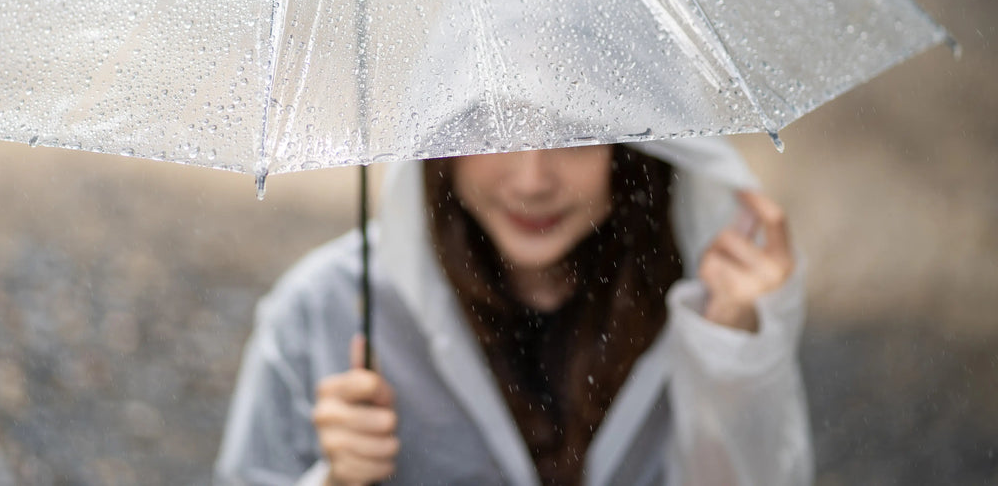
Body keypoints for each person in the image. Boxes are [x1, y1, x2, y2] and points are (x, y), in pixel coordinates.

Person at [215, 137, 813, 485]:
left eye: (575, 133)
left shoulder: (708, 305)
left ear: (637, 145)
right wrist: (336, 482)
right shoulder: (327, 309)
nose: (531, 180)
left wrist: (735, 359)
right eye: (494, 125)